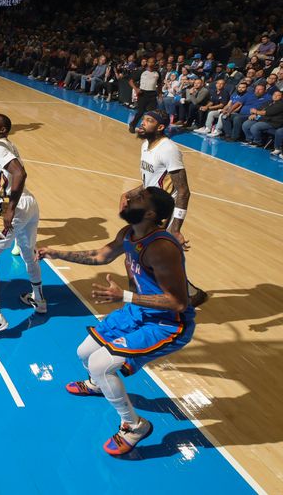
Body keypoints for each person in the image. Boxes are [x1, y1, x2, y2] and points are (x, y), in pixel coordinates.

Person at [39, 186, 195, 455]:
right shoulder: (129, 234)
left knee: (100, 364)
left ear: (150, 213)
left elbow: (178, 302)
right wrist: (56, 252)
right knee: (84, 352)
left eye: (136, 199)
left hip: (167, 324)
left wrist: (124, 295)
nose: (126, 199)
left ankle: (134, 426)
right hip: (138, 311)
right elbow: (101, 255)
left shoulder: (161, 248)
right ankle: (98, 385)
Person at [0, 113, 47, 340]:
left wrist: (10, 207)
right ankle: (39, 300)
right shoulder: (3, 145)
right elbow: (4, 175)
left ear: (3, 130)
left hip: (14, 207)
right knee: (27, 254)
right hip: (29, 203)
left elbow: (19, 173)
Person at [122, 110, 207, 307]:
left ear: (161, 127)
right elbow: (150, 182)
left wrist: (175, 228)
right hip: (150, 208)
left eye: (149, 121)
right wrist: (129, 195)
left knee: (138, 258)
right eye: (143, 119)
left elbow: (184, 191)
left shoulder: (169, 149)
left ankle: (139, 304)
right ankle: (190, 293)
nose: (143, 123)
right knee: (143, 259)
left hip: (164, 211)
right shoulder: (146, 145)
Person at [127, 57, 160, 134]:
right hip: (143, 94)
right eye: (149, 62)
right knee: (140, 112)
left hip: (152, 94)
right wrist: (136, 89)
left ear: (155, 63)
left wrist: (160, 94)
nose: (151, 64)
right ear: (147, 63)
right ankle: (133, 124)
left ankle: (149, 129)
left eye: (153, 62)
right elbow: (130, 81)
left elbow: (160, 84)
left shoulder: (157, 73)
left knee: (152, 113)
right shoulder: (141, 71)